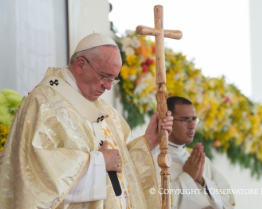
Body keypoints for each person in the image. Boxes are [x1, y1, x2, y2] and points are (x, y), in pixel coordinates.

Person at [0, 33, 173, 209]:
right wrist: (98, 163)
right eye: (104, 76)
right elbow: (34, 177)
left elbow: (121, 172)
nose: (107, 86)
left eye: (113, 79)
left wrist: (150, 140)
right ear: (81, 65)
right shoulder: (44, 103)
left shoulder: (105, 111)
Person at [152, 96, 235, 209]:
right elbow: (152, 201)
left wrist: (202, 181)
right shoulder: (153, 158)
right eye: (185, 119)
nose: (192, 126)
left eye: (194, 119)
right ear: (167, 121)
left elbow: (228, 203)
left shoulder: (199, 159)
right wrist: (188, 177)